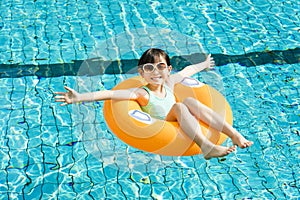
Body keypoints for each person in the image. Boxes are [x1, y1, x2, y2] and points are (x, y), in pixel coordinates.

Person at [55, 48, 253, 159]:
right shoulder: (142, 94)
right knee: (180, 106)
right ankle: (206, 146)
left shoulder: (170, 82)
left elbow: (187, 72)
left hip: (180, 116)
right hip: (162, 124)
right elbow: (109, 94)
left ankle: (234, 134)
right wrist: (79, 97)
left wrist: (203, 64)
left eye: (161, 66)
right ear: (141, 73)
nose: (156, 72)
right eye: (149, 68)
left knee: (190, 100)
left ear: (168, 69)